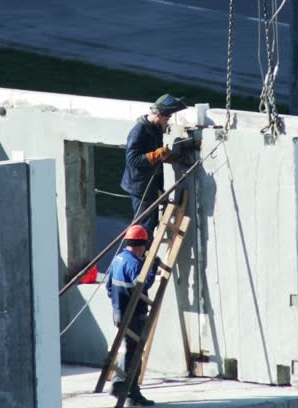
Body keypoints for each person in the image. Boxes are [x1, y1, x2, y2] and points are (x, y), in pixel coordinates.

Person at [120, 94, 188, 243]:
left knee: (151, 223)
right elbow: (132, 160)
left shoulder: (156, 129)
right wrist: (156, 155)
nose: (167, 120)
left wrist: (170, 157)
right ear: (158, 114)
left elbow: (157, 156)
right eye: (166, 118)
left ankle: (146, 254)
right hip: (140, 188)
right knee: (143, 227)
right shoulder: (139, 131)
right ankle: (141, 258)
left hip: (151, 185)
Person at [106, 224, 159, 406]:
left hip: (118, 312)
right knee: (133, 353)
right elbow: (142, 286)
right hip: (133, 315)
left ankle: (132, 393)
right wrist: (152, 268)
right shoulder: (135, 264)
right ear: (140, 245)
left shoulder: (118, 259)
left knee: (130, 350)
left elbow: (108, 287)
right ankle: (120, 386)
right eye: (144, 245)